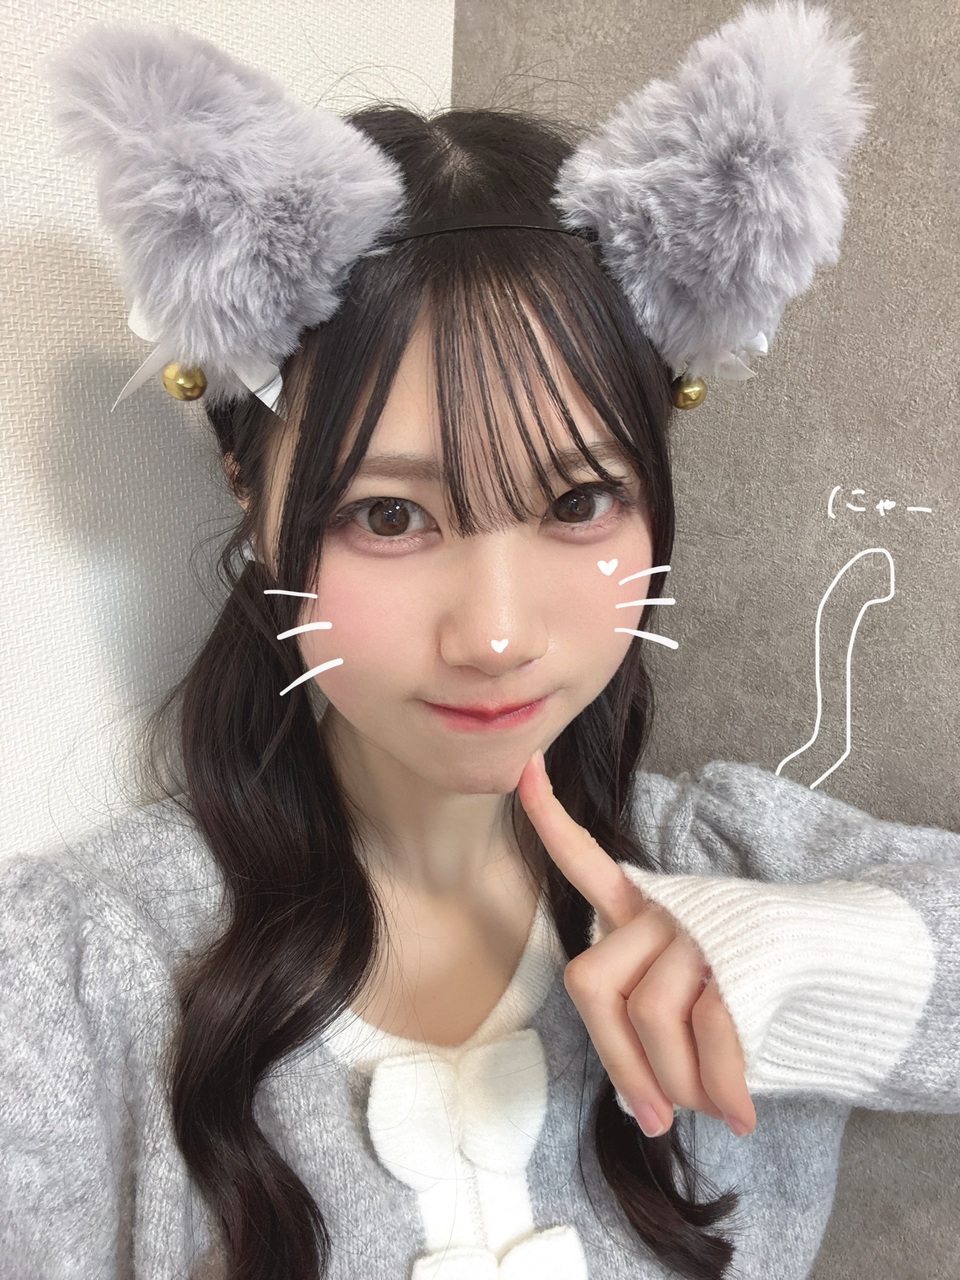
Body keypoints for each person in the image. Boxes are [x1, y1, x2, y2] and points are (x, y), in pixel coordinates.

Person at [4, 5, 958, 1279]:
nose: (498, 634)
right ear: (250, 489)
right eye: (389, 515)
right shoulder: (82, 972)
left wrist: (818, 968)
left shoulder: (726, 863)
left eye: (578, 501)